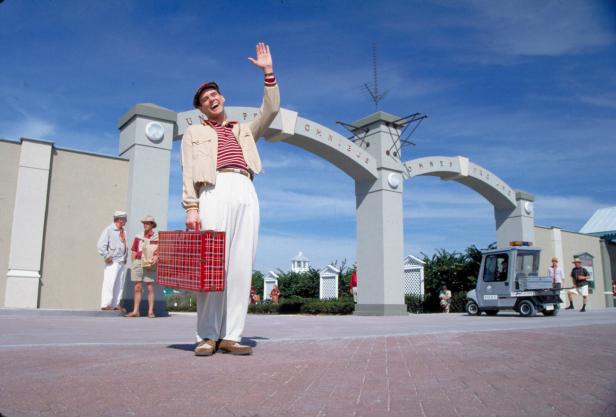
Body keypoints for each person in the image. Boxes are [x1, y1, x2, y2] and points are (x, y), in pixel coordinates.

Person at [182, 42, 279, 356]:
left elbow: (271, 109)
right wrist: (192, 207)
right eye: (204, 99)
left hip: (245, 187)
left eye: (214, 95)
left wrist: (267, 72)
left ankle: (232, 335)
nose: (211, 99)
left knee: (240, 266)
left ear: (222, 98)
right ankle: (207, 336)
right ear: (200, 109)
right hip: (213, 188)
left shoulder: (244, 130)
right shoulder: (194, 134)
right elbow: (186, 172)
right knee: (213, 264)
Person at [126, 215, 159, 318]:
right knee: (137, 287)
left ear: (152, 225)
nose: (145, 225)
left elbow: (159, 251)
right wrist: (134, 263)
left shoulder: (157, 237)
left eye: (147, 223)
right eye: (144, 223)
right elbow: (134, 250)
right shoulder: (138, 236)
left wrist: (157, 257)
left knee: (150, 287)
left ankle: (150, 312)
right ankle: (135, 311)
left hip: (149, 263)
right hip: (138, 262)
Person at [96, 211, 128, 311]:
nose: (126, 221)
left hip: (121, 261)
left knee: (119, 284)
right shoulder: (109, 230)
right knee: (109, 282)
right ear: (120, 220)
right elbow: (100, 245)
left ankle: (115, 304)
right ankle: (106, 304)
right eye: (124, 219)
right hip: (112, 261)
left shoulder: (124, 231)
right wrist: (106, 255)